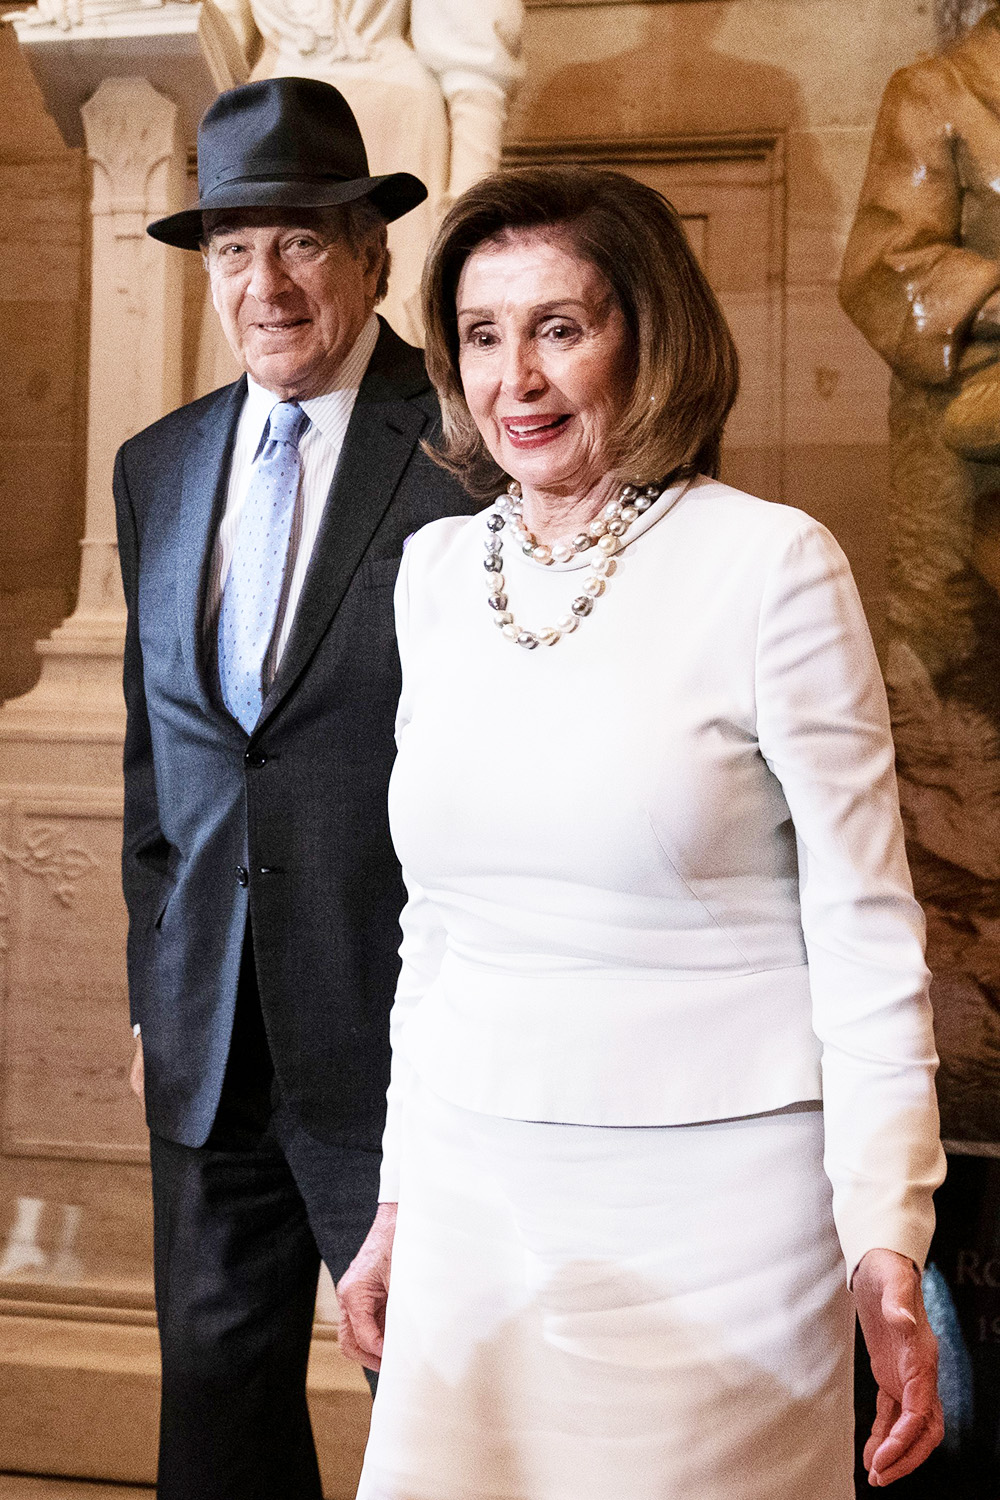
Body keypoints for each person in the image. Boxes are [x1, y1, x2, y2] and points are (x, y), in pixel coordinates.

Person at [337, 166, 948, 1499]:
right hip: (475, 1192)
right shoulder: (436, 578)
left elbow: (864, 923)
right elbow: (434, 925)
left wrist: (886, 1229)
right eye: (484, 337)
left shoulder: (774, 566)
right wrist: (397, 1200)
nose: (520, 381)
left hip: (720, 1219)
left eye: (562, 328)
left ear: (650, 336)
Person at [113, 75, 471, 1500]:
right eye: (230, 249)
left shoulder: (463, 448)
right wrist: (157, 988)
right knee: (215, 1412)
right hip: (209, 1047)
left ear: (373, 254)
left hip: (403, 1040)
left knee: (439, 1407)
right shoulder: (160, 464)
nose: (264, 285)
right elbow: (161, 769)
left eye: (301, 242)